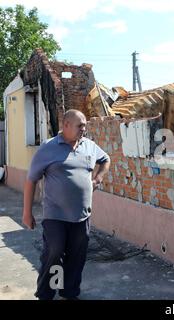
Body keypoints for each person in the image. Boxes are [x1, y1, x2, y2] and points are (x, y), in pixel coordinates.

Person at [22, 109, 111, 300]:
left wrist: (99, 177)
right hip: (55, 216)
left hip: (82, 215)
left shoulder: (89, 146)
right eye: (80, 125)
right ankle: (47, 293)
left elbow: (105, 160)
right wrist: (27, 213)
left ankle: (69, 293)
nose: (84, 129)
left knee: (76, 256)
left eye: (85, 125)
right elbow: (31, 180)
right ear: (66, 126)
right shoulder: (48, 148)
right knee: (54, 252)